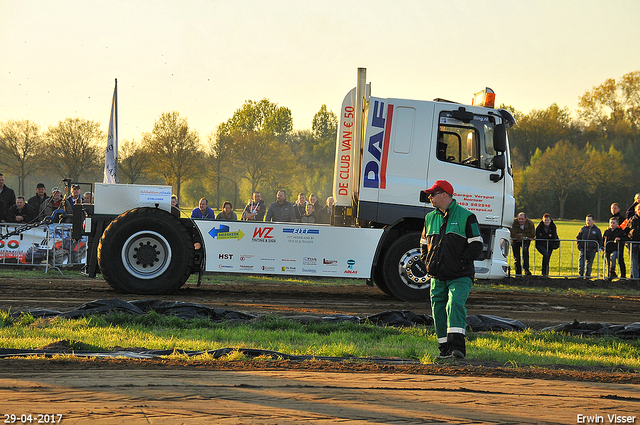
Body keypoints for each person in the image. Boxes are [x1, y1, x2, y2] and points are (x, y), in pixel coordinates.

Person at [419, 180, 483, 359]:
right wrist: (427, 262)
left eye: (433, 194)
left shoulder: (466, 216)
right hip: (437, 275)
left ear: (444, 194)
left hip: (460, 275)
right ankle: (444, 350)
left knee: (454, 304)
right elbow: (423, 244)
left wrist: (461, 262)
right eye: (429, 194)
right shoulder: (430, 218)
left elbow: (476, 245)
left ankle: (457, 350)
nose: (430, 197)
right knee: (438, 309)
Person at [610, 203, 626, 278]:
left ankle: (623, 275)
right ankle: (611, 274)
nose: (613, 209)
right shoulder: (611, 218)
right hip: (611, 243)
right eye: (612, 208)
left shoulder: (622, 219)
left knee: (620, 259)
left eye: (615, 208)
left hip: (619, 242)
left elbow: (623, 230)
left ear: (619, 209)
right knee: (610, 259)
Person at [626, 203, 640, 279]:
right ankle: (635, 279)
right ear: (635, 211)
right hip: (633, 243)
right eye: (638, 209)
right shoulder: (632, 220)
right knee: (634, 263)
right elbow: (626, 230)